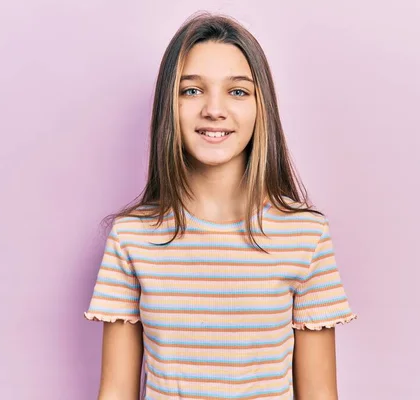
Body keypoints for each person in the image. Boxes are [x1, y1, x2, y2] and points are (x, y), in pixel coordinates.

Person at [84, 12, 357, 400]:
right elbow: (115, 391)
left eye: (238, 91)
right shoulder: (132, 237)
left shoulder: (306, 235)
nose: (214, 109)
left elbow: (319, 394)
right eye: (192, 90)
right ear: (169, 106)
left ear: (262, 108)